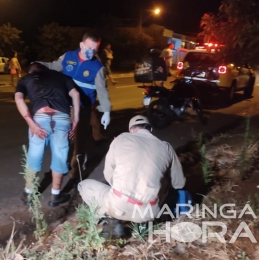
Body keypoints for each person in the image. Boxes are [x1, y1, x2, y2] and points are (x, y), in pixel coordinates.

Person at [78, 115, 186, 233]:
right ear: (150, 130)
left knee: (83, 185)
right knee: (163, 180)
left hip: (118, 206)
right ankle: (146, 223)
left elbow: (108, 174)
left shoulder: (120, 139)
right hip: (148, 212)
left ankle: (110, 221)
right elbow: (179, 183)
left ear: (131, 130)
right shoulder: (167, 147)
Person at [38, 31, 112, 186]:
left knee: (79, 141)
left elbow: (102, 90)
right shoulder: (68, 57)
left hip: (83, 108)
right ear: (81, 45)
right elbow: (52, 66)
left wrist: (106, 111)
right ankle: (59, 167)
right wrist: (37, 65)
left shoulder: (97, 67)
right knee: (60, 139)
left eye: (95, 49)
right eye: (89, 48)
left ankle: (75, 173)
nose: (91, 52)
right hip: (63, 105)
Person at [15, 62, 80, 207]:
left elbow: (19, 98)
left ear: (31, 72)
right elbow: (75, 94)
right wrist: (76, 120)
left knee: (34, 155)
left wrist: (31, 124)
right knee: (60, 156)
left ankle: (28, 194)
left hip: (40, 120)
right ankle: (55, 196)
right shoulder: (61, 76)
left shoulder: (26, 79)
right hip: (62, 119)